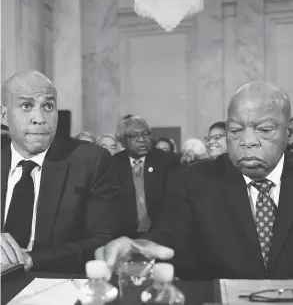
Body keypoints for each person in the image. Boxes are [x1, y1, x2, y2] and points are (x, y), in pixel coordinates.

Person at [95, 81, 293, 280]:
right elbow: (166, 236)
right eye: (235, 130)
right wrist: (139, 251)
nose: (247, 141)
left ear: (289, 132)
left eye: (265, 130)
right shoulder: (194, 180)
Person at [1, 71, 121, 273]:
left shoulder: (89, 160)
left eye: (48, 106)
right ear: (4, 116)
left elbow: (103, 239)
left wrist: (32, 260)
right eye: (26, 106)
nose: (39, 119)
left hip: (55, 281)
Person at [112, 115, 181, 238]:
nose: (142, 139)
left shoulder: (168, 161)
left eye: (145, 134)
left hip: (163, 235)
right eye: (134, 136)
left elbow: (174, 206)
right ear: (123, 141)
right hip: (125, 237)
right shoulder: (112, 165)